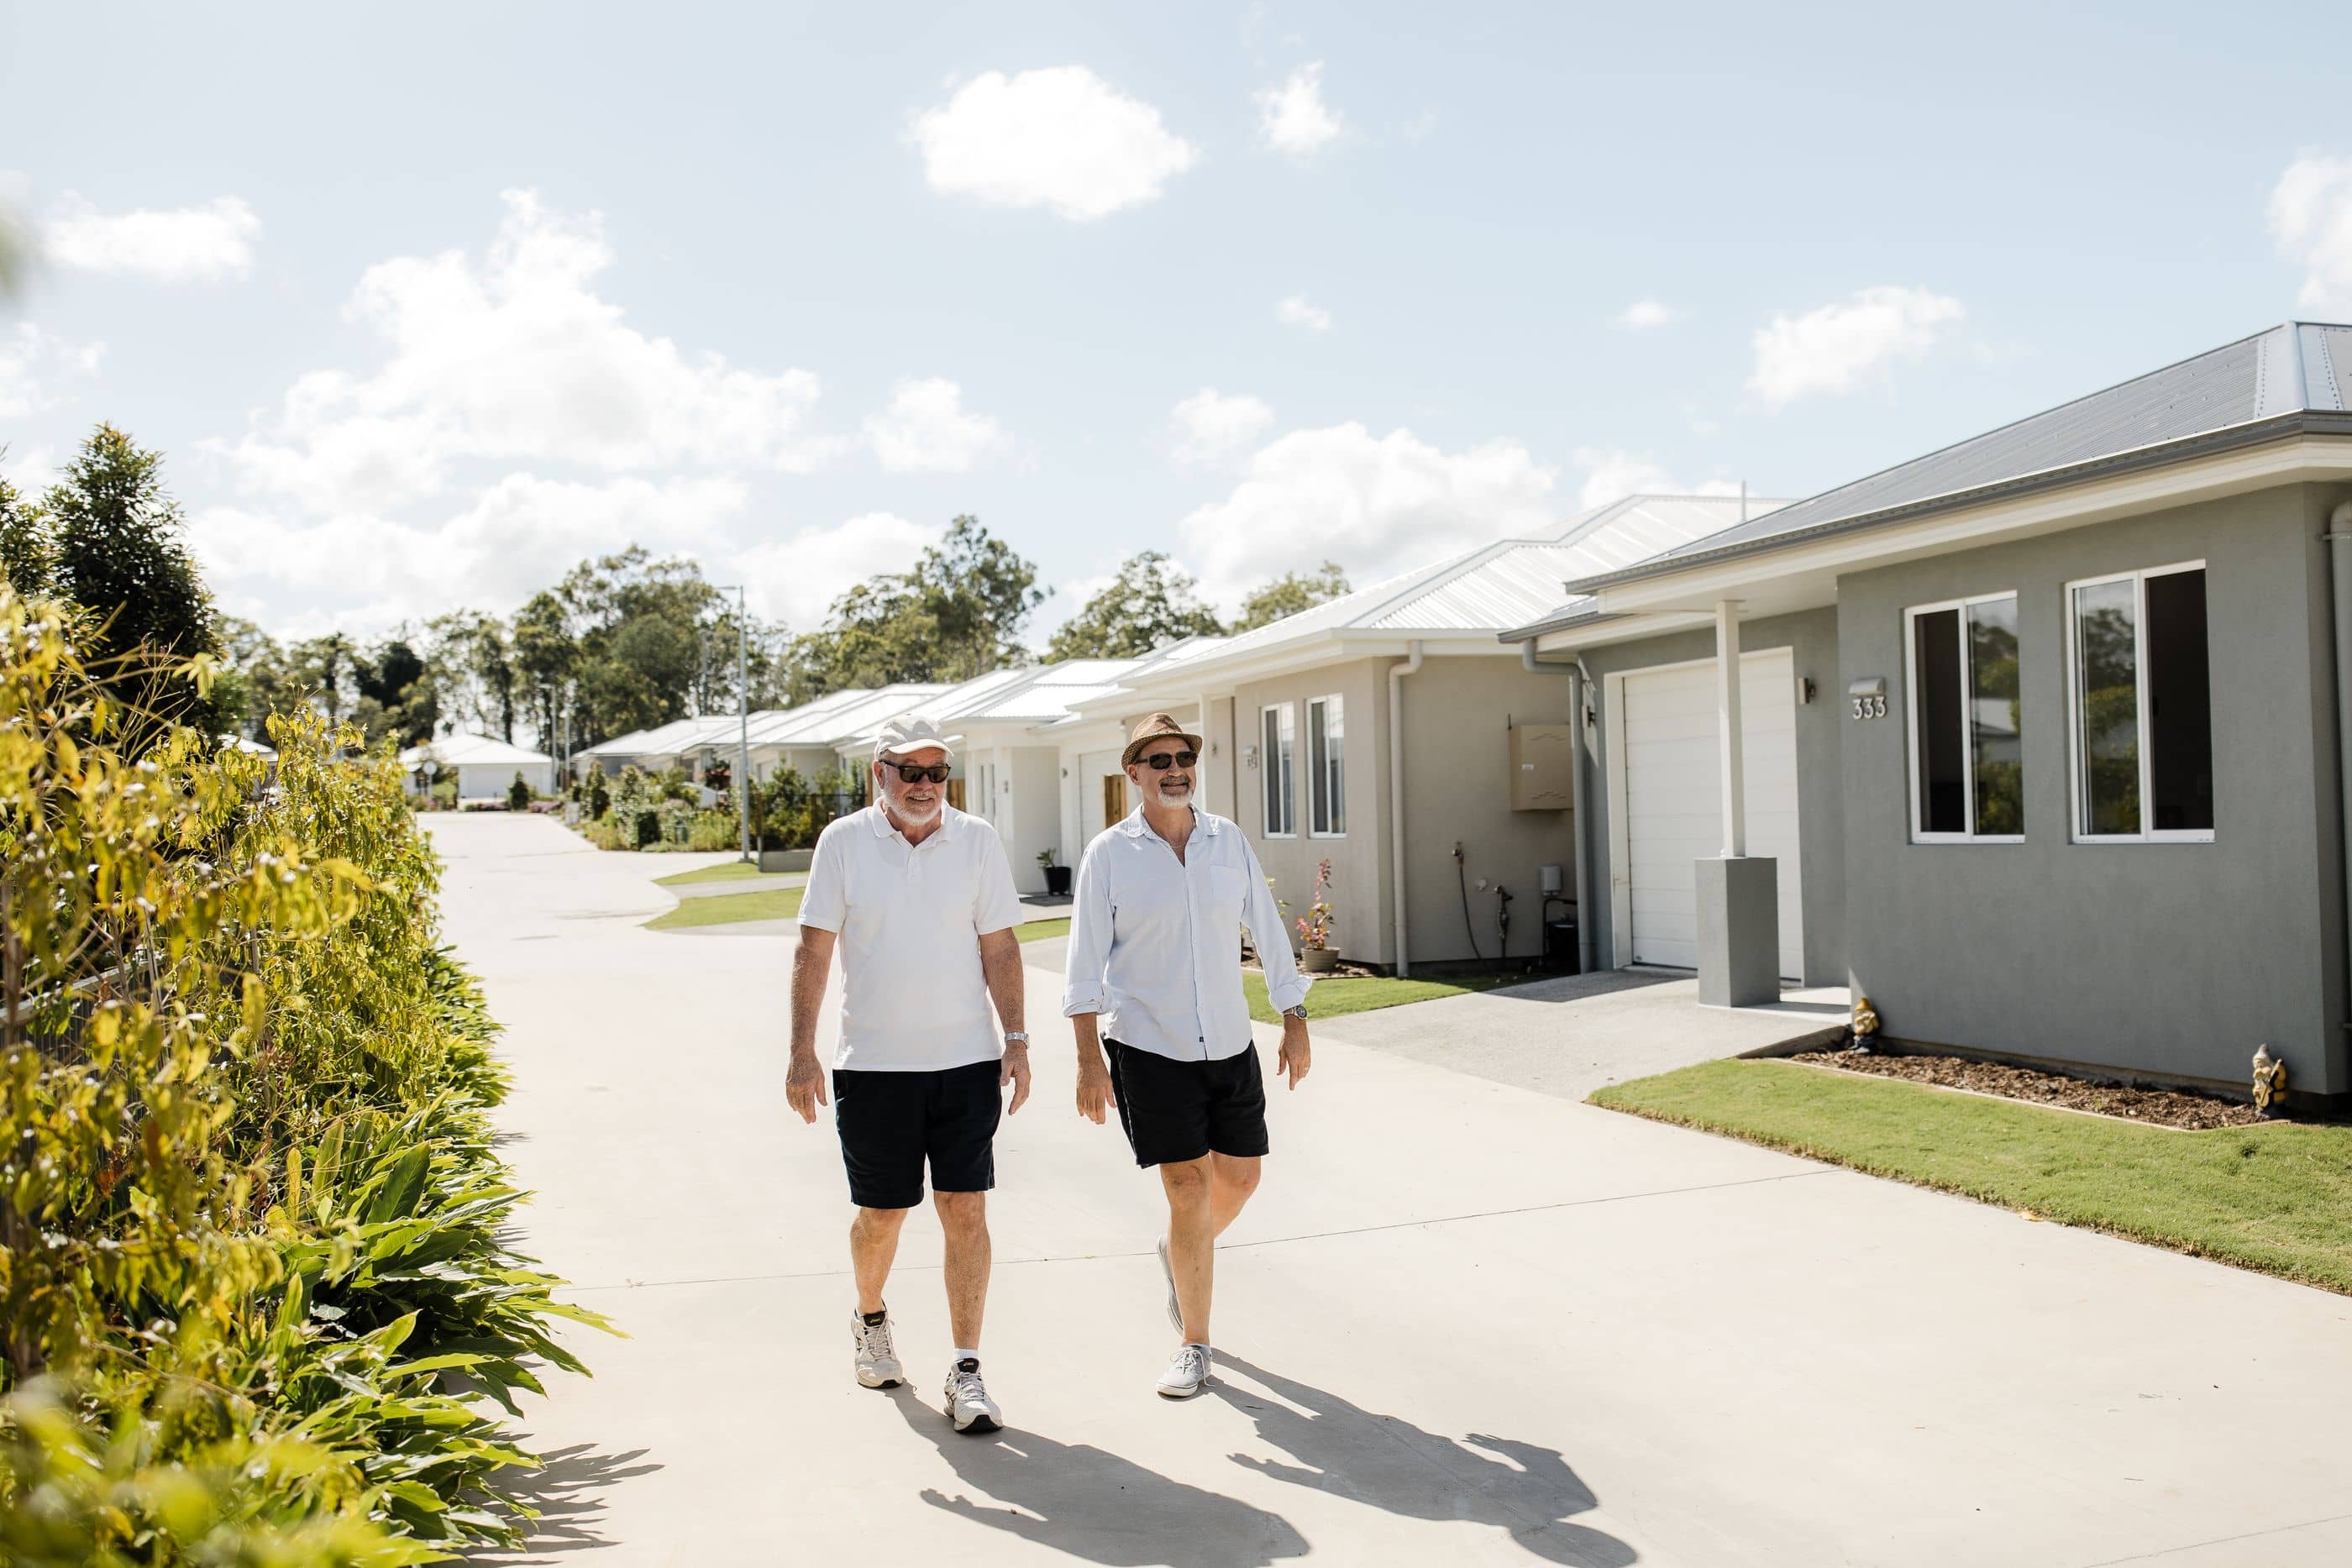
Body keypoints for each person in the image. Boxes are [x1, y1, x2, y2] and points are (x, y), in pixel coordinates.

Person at [787, 716, 1030, 1434]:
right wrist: (801, 1051)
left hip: (965, 1062)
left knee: (966, 1209)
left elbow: (1002, 946)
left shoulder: (977, 840)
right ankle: (869, 1319)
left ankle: (966, 1368)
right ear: (879, 773)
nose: (925, 785)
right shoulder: (843, 843)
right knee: (883, 1215)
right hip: (875, 1067)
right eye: (909, 771)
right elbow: (813, 951)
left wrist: (1015, 1039)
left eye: (936, 773)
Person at [1062, 711, 1312, 1399]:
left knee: (1240, 1178)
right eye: (1160, 759)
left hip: (1229, 1041)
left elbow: (1267, 929)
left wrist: (1294, 1016)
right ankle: (1194, 1344)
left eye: (1184, 757)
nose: (1176, 769)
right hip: (1149, 1045)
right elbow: (1083, 965)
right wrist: (1088, 1058)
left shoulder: (1226, 841)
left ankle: (1179, 1247)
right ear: (1133, 773)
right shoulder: (1108, 855)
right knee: (1187, 1187)